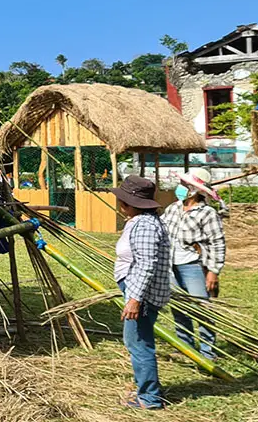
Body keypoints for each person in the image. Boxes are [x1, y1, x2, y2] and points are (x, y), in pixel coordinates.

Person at [111, 176, 172, 410]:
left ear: (129, 203)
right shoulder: (140, 221)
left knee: (138, 343)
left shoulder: (145, 224)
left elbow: (146, 264)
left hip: (142, 294)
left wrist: (134, 299)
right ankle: (144, 389)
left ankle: (149, 398)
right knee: (136, 340)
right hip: (137, 289)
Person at [160, 169, 225, 360]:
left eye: (186, 184)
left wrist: (213, 271)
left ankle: (207, 351)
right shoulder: (173, 208)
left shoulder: (207, 213)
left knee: (201, 308)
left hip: (193, 265)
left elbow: (217, 242)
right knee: (179, 307)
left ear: (196, 190)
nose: (181, 187)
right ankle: (185, 347)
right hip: (170, 265)